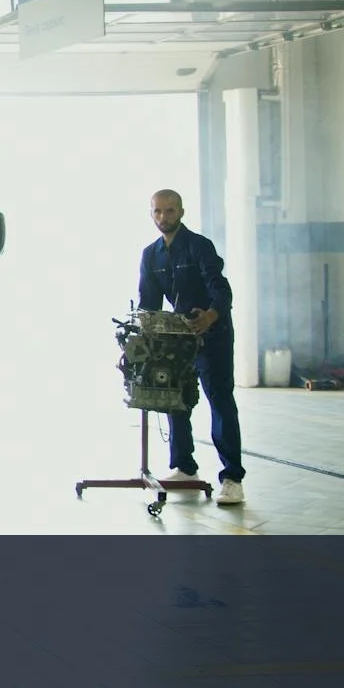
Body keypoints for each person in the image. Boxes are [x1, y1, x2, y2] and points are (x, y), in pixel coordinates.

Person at [137, 189, 245, 505]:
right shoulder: (151, 255)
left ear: (181, 212)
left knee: (220, 401)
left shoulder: (199, 247)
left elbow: (222, 291)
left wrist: (210, 316)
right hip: (178, 340)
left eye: (170, 211)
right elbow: (148, 303)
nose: (163, 218)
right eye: (157, 211)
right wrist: (147, 331)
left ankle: (233, 478)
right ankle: (184, 468)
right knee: (175, 399)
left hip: (214, 335)